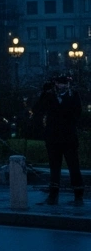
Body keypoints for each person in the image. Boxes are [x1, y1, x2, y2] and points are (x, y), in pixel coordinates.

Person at [38, 74, 84, 205]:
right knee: (54, 167)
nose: (61, 86)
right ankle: (53, 195)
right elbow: (38, 109)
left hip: (69, 137)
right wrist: (43, 93)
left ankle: (78, 195)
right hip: (53, 137)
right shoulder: (49, 95)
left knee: (73, 166)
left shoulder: (73, 95)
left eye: (64, 83)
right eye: (59, 83)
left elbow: (77, 114)